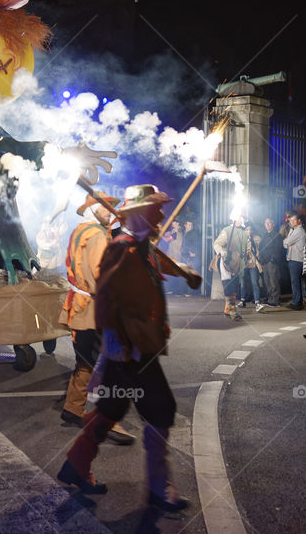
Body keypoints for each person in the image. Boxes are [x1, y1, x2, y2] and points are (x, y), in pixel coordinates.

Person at [57, 184, 201, 512]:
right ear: (138, 213)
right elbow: (106, 296)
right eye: (154, 209)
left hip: (134, 346)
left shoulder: (140, 244)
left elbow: (156, 260)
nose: (161, 214)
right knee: (162, 410)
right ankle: (158, 488)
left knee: (110, 410)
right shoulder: (121, 248)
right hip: (131, 349)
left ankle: (75, 465)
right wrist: (115, 345)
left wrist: (185, 272)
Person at [58, 191, 134, 445]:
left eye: (111, 206)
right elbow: (103, 273)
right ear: (93, 210)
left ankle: (73, 408)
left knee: (87, 361)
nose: (110, 210)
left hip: (81, 307)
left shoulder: (80, 231)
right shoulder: (97, 235)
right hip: (94, 307)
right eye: (105, 207)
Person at [213, 216, 250, 320]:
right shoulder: (227, 231)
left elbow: (247, 246)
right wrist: (221, 251)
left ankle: (227, 310)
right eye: (236, 218)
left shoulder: (244, 232)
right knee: (229, 286)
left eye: (240, 219)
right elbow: (217, 243)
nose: (238, 220)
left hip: (239, 263)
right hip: (227, 262)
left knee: (235, 287)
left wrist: (248, 256)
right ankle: (232, 310)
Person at [256, 218, 282, 309]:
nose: (268, 225)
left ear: (273, 224)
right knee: (267, 281)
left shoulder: (277, 235)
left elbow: (278, 248)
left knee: (273, 281)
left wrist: (272, 259)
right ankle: (270, 298)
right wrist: (262, 260)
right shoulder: (265, 235)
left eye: (269, 223)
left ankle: (275, 300)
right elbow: (261, 247)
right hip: (265, 262)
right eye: (266, 223)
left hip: (272, 262)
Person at [283, 213, 306, 310]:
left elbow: (286, 242)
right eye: (290, 221)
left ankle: (297, 302)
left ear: (299, 220)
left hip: (297, 259)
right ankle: (297, 301)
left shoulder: (299, 231)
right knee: (297, 281)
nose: (291, 222)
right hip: (294, 258)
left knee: (295, 281)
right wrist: (287, 243)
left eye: (293, 220)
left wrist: (288, 243)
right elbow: (285, 243)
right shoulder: (293, 230)